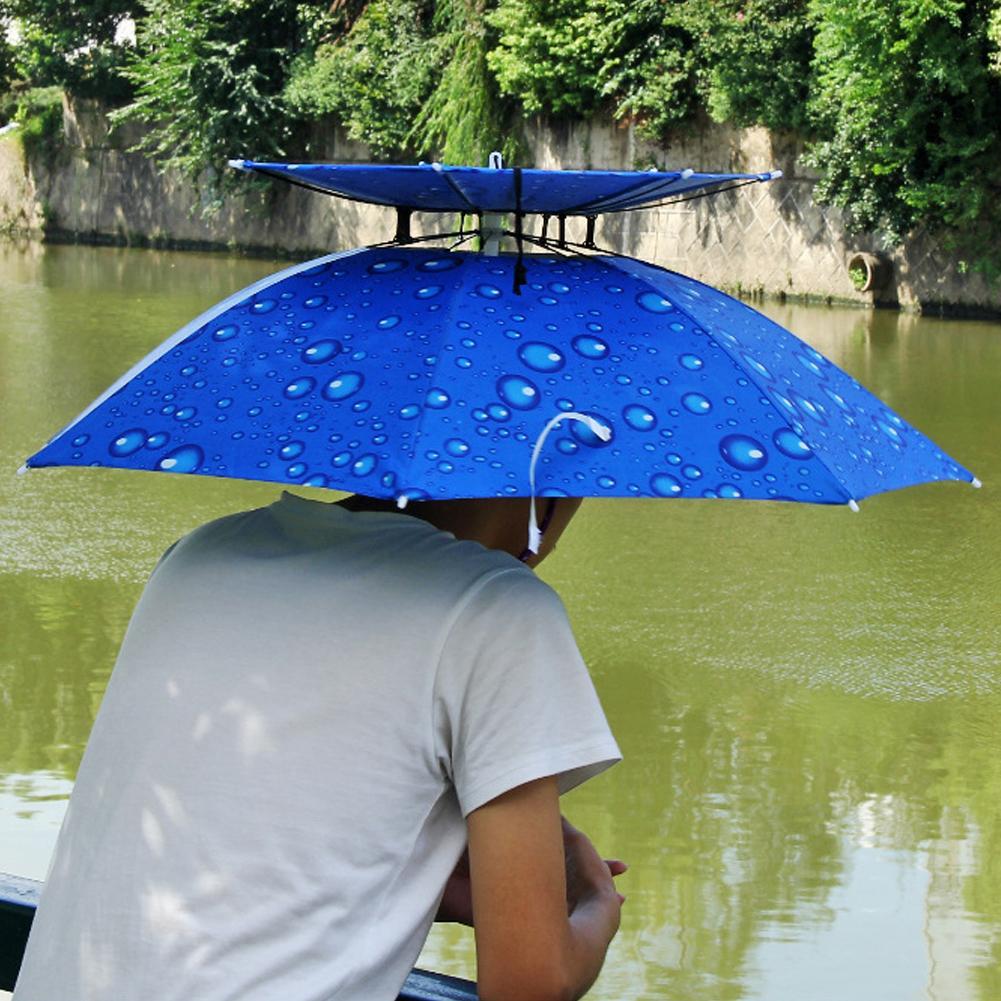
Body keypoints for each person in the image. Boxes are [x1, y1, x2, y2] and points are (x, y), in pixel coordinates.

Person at [14, 490, 625, 1001]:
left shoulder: (199, 553)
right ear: (551, 487)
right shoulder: (498, 605)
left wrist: (417, 880)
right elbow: (529, 984)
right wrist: (595, 902)